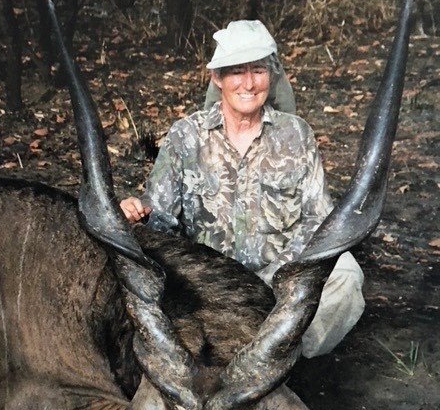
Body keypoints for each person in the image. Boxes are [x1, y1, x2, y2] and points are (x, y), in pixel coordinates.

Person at [120, 20, 365, 358]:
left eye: (259, 70)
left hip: (278, 281)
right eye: (236, 72)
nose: (249, 83)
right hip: (206, 288)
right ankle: (225, 353)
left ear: (272, 75)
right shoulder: (185, 136)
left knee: (346, 275)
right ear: (217, 78)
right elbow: (160, 217)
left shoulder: (297, 135)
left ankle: (281, 358)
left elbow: (318, 219)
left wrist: (282, 273)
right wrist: (137, 210)